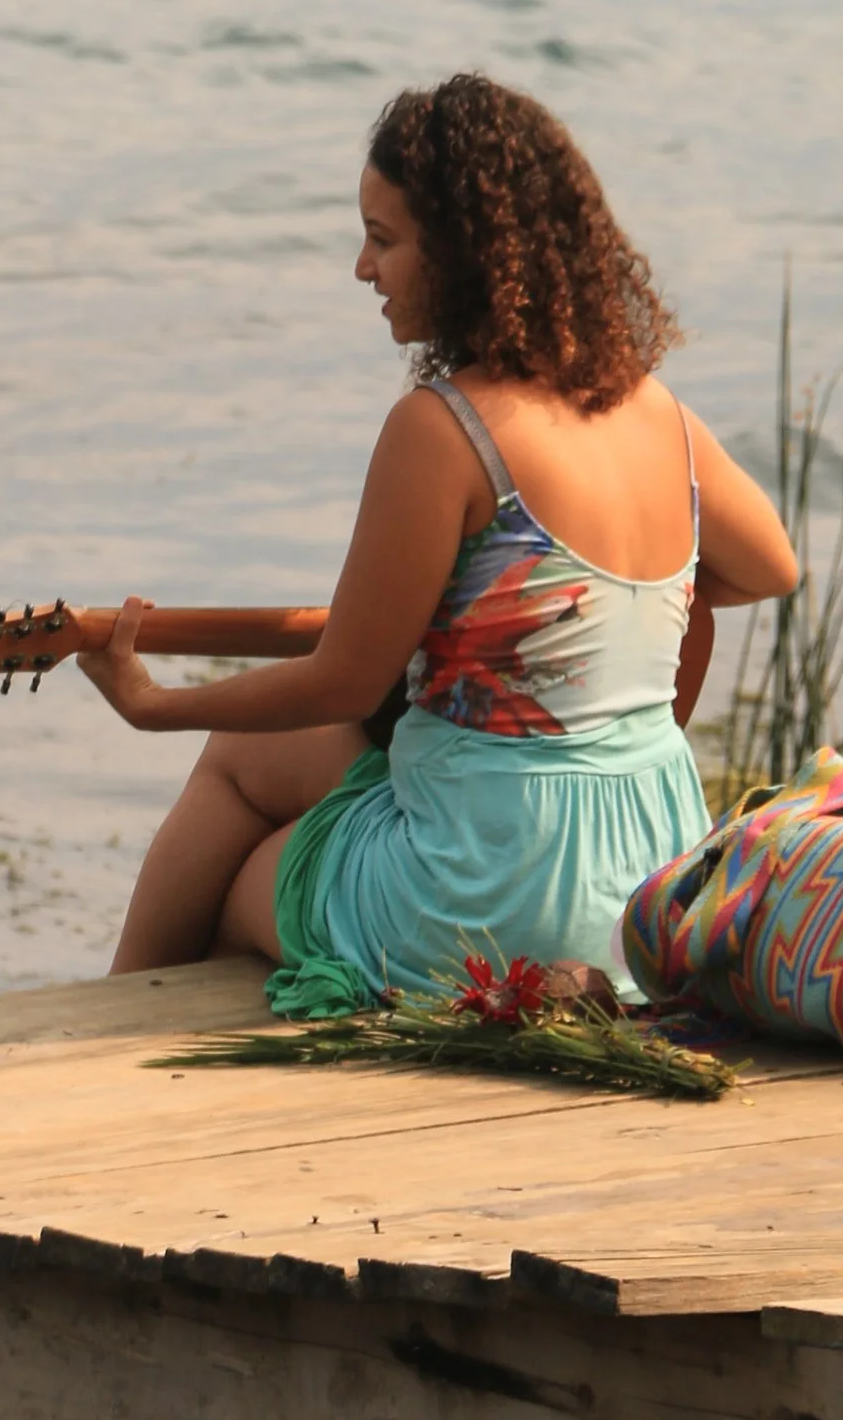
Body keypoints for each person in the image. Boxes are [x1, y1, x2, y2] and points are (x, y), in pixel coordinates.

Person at [78, 72, 798, 999]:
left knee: (241, 876)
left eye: (383, 241)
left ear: (465, 256)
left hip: (485, 899)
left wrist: (150, 704)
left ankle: (106, 1019)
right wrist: (582, 625)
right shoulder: (654, 410)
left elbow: (346, 680)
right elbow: (770, 566)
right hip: (643, 902)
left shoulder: (442, 429)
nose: (362, 269)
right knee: (274, 776)